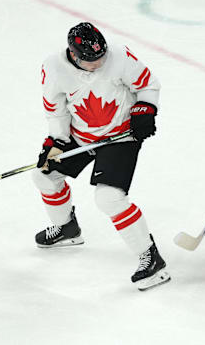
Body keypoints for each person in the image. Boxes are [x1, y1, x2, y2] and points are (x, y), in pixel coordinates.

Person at [33, 22, 170, 291]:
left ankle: (151, 258)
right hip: (80, 136)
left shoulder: (119, 57)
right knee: (44, 176)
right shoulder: (53, 68)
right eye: (91, 60)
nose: (99, 63)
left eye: (101, 56)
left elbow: (148, 84)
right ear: (73, 55)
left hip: (120, 137)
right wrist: (56, 142)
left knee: (109, 198)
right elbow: (56, 110)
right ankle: (67, 229)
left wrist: (145, 108)